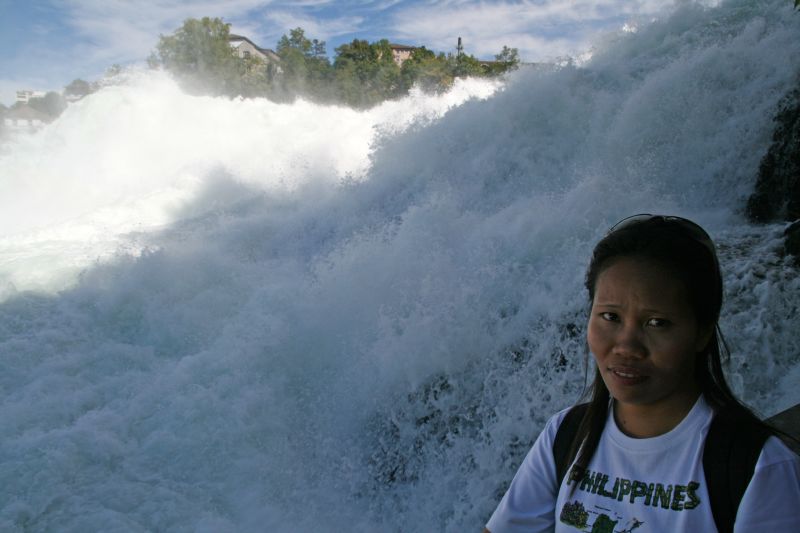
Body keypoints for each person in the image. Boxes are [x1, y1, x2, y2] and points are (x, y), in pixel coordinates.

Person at [484, 214, 800, 532]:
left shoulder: (757, 465)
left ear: (702, 331)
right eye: (610, 316)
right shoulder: (565, 434)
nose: (626, 346)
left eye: (656, 323)